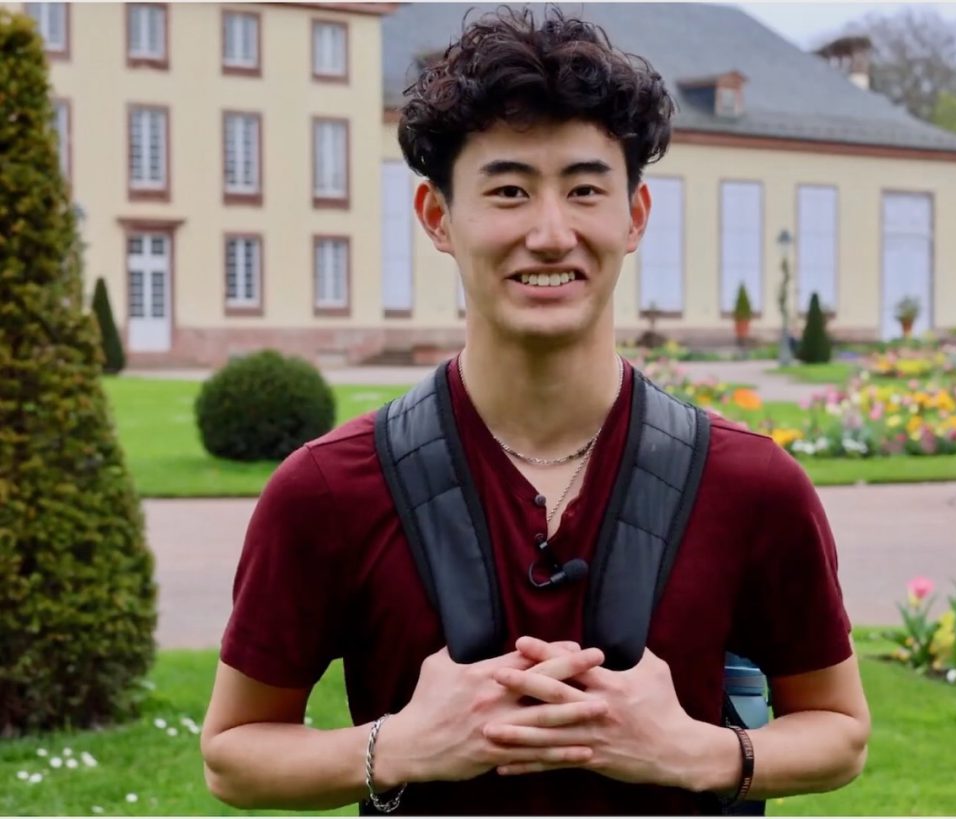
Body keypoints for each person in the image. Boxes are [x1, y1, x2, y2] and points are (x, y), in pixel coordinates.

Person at [201, 7, 870, 815]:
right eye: (509, 190)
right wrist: (406, 743)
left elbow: (838, 728)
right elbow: (233, 756)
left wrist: (693, 749)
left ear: (635, 217)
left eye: (586, 189)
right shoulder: (327, 491)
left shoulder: (753, 483)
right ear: (438, 217)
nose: (552, 233)